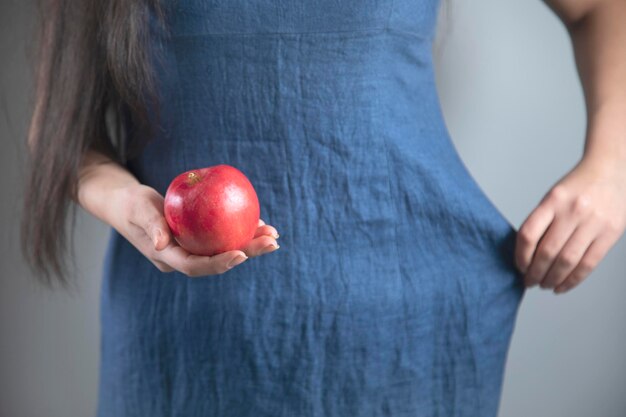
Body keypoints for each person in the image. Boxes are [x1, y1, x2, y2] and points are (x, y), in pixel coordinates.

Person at [21, 0, 626, 416]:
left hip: (410, 331)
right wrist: (132, 206)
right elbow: (58, 130)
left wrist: (611, 171)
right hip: (181, 334)